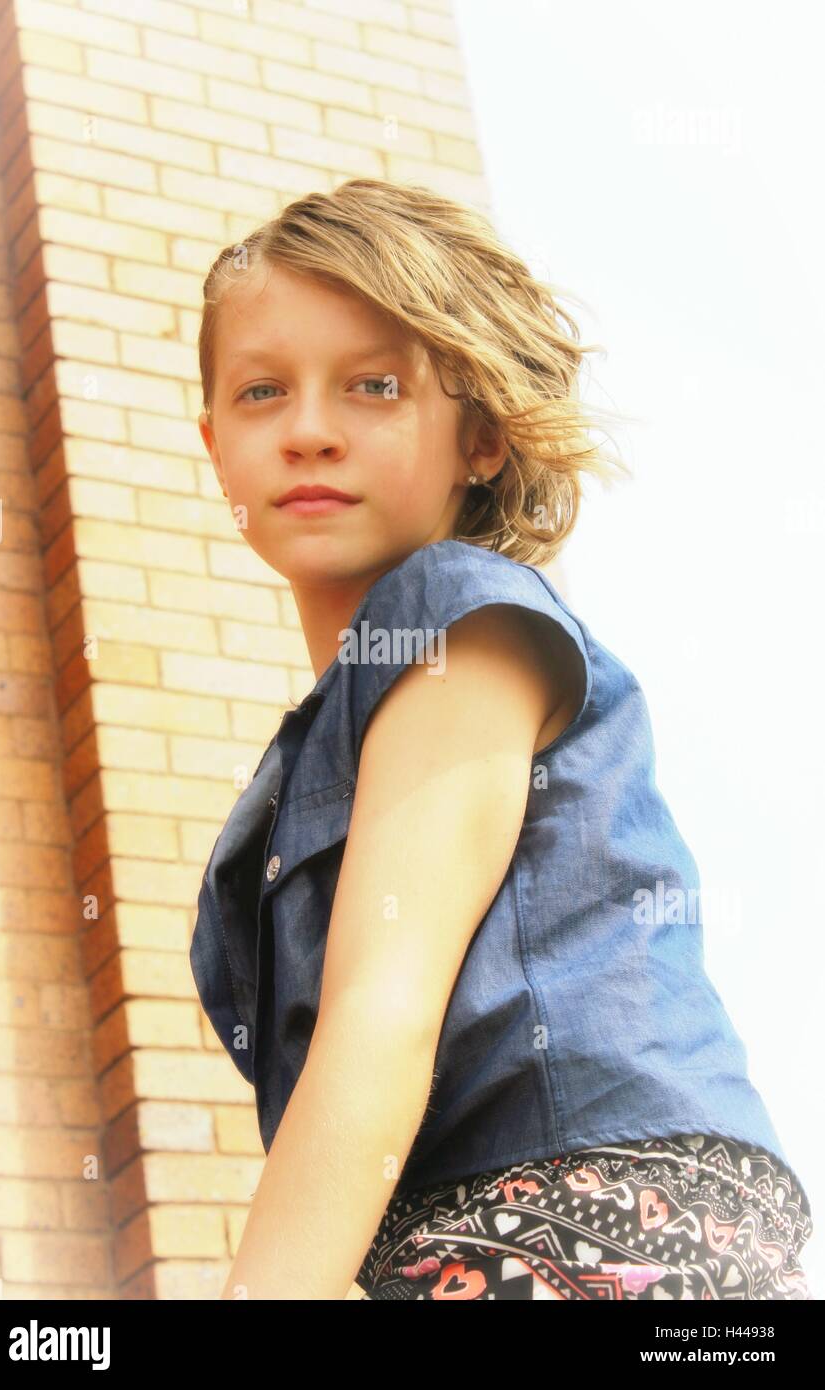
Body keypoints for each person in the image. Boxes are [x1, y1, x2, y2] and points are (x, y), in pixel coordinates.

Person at [192, 177, 813, 1301]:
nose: (309, 430)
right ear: (212, 440)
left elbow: (384, 1009)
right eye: (260, 392)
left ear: (478, 437)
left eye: (373, 385)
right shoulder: (306, 757)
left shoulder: (456, 615)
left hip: (586, 1210)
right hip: (472, 1240)